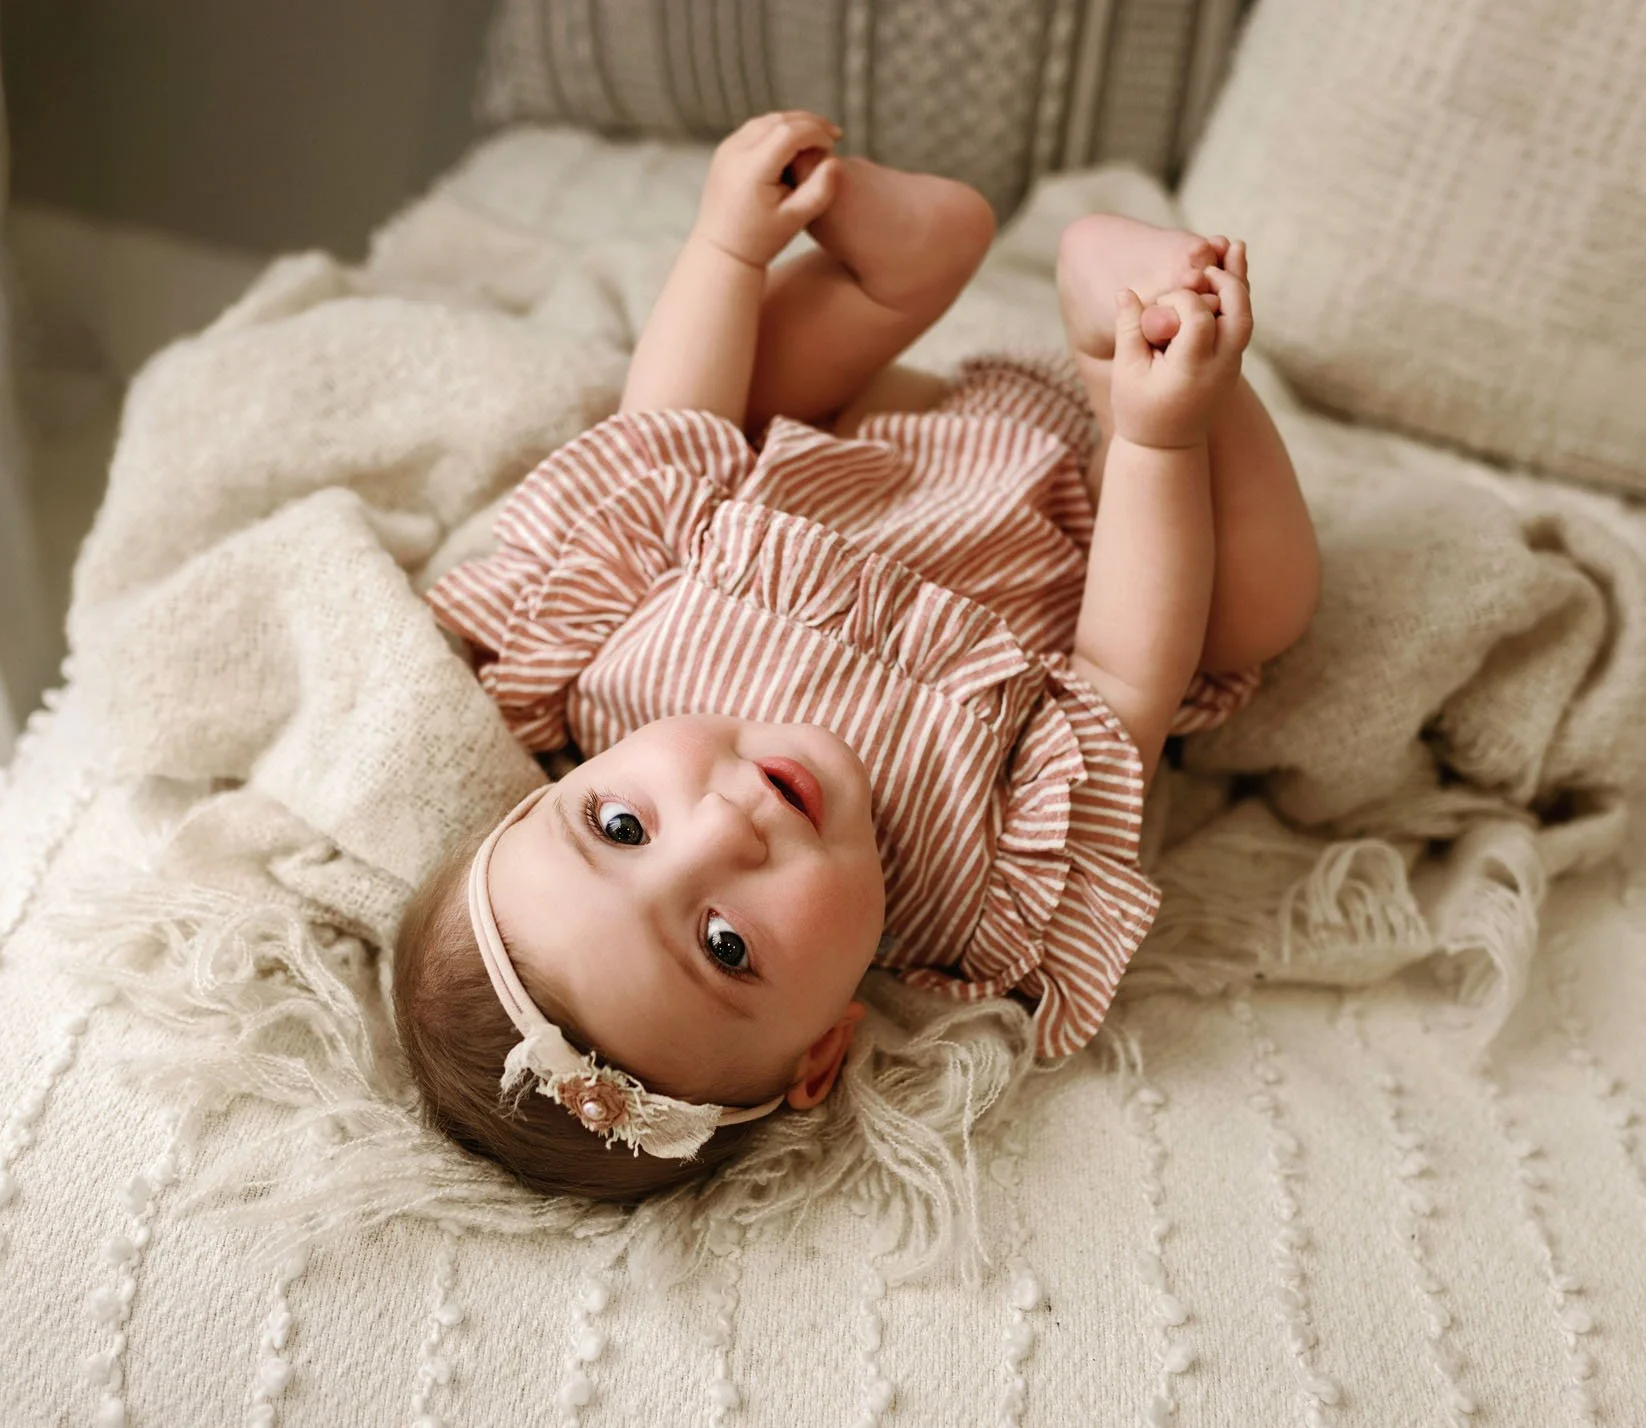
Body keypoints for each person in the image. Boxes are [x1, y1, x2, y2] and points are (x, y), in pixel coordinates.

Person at [391, 111, 1321, 1199]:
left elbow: (668, 434)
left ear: (546, 788)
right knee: (1257, 613)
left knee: (726, 420)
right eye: (726, 945)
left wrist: (727, 249)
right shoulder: (976, 898)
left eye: (620, 827)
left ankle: (902, 264)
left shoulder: (601, 669)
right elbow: (1123, 676)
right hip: (1114, 509)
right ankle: (1127, 339)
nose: (723, 828)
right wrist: (1156, 436)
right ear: (823, 1049)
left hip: (880, 426)